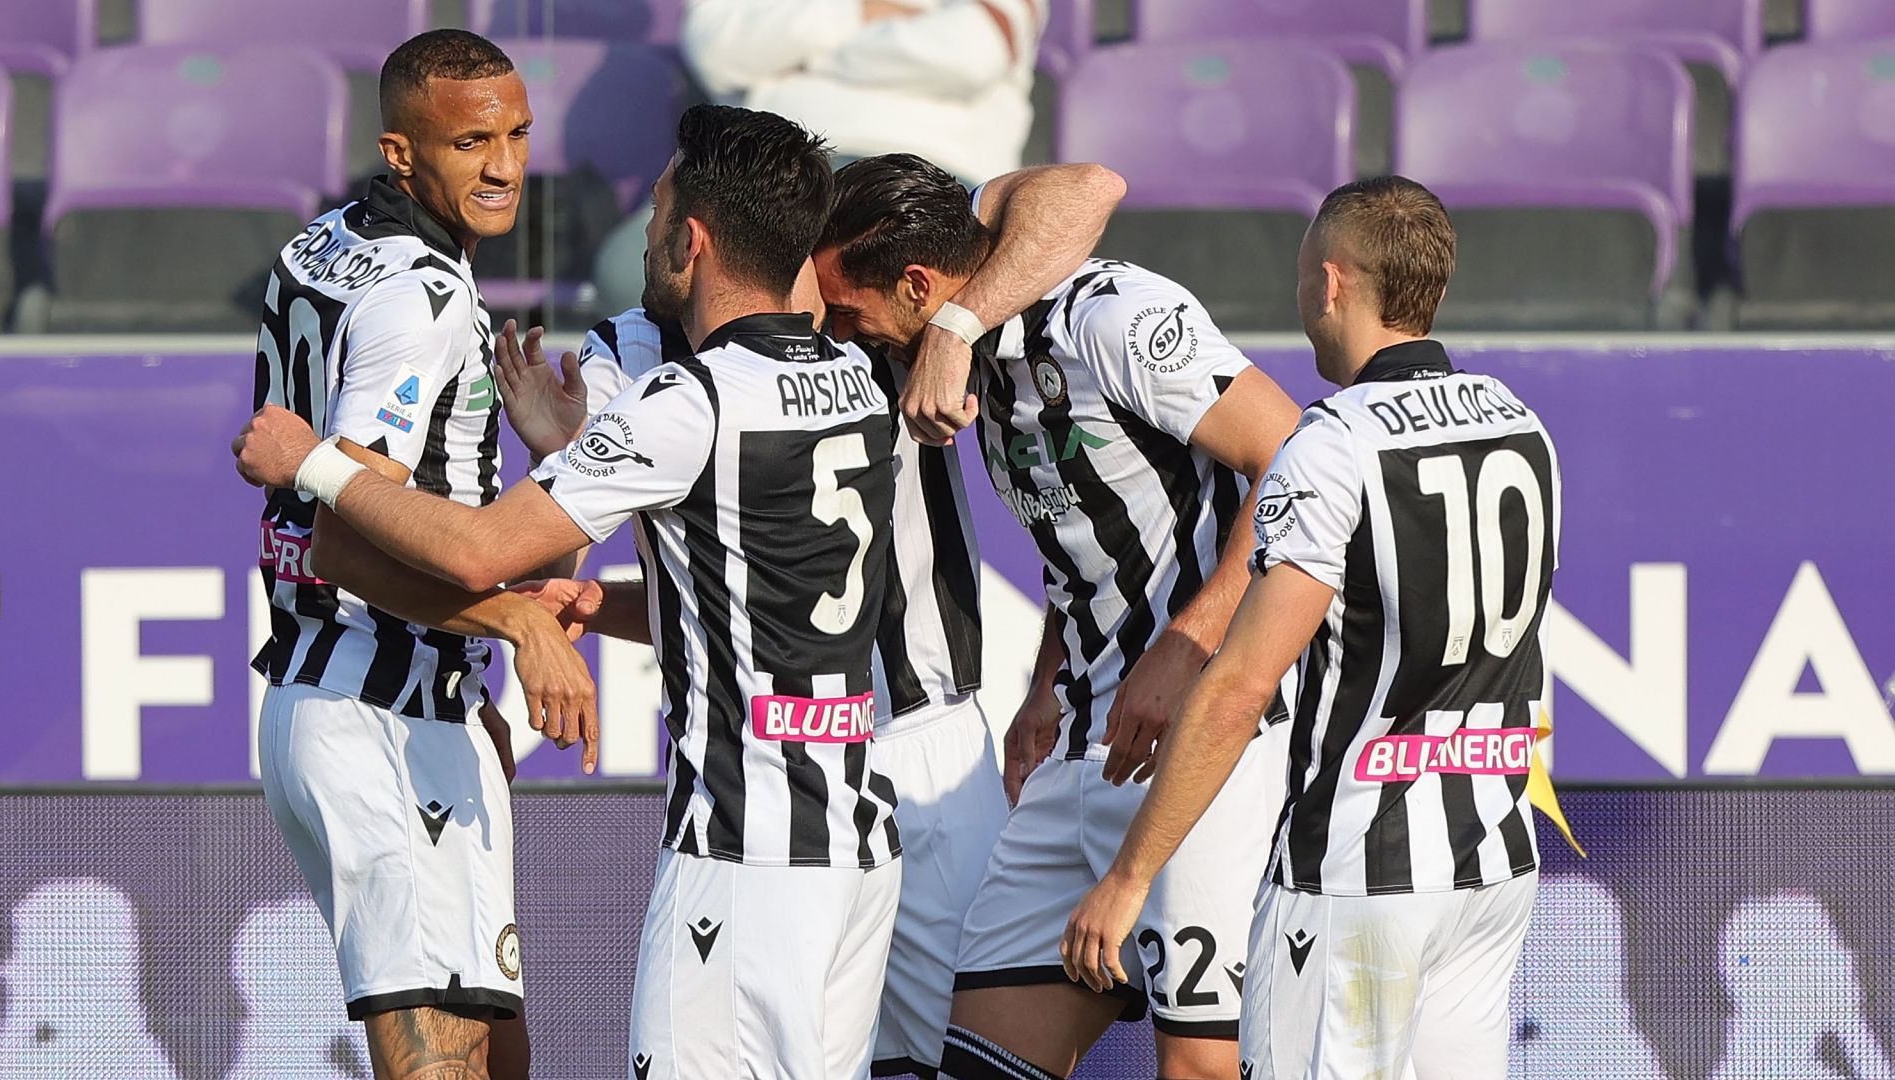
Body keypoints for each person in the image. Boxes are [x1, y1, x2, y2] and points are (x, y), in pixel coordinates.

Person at [236, 103, 903, 1079]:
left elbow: (473, 552)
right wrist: (580, 554)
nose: (648, 225)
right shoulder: (854, 379)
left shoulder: (693, 403)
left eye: (661, 204)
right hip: (856, 846)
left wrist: (319, 466)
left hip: (743, 853)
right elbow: (755, 597)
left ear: (694, 238)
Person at [494, 157, 1126, 1079]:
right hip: (772, 768)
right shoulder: (630, 349)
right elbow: (573, 566)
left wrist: (954, 326)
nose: (652, 229)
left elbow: (1086, 189)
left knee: (973, 1060)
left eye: (667, 209)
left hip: (923, 743)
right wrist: (563, 492)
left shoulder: (876, 300)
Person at [1060, 176, 1562, 1080]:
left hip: (1359, 876)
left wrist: (1131, 876)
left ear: (1330, 284)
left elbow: (1242, 684)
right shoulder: (1523, 425)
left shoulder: (1332, 442)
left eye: (1301, 277)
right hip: (1491, 859)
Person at [813, 153, 1301, 1080]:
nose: (851, 336)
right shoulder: (974, 363)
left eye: (851, 313)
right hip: (1081, 743)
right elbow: (1079, 538)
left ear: (920, 286)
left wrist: (1188, 643)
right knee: (980, 1065)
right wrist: (1043, 689)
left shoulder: (1110, 317)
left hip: (1207, 746)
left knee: (1201, 1065)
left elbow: (1297, 463)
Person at [247, 29, 596, 1080]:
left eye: (519, 135)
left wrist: (549, 461)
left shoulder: (319, 242)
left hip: (399, 708)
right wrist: (514, 620)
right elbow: (343, 534)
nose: (503, 166)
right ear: (403, 154)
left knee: (497, 1058)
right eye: (471, 142)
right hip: (377, 726)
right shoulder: (427, 299)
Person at [595, 0, 1045, 313]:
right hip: (770, 166)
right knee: (629, 269)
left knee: (889, 296)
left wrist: (797, 60)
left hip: (928, 171)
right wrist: (861, 13)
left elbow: (972, 53)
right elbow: (716, 52)